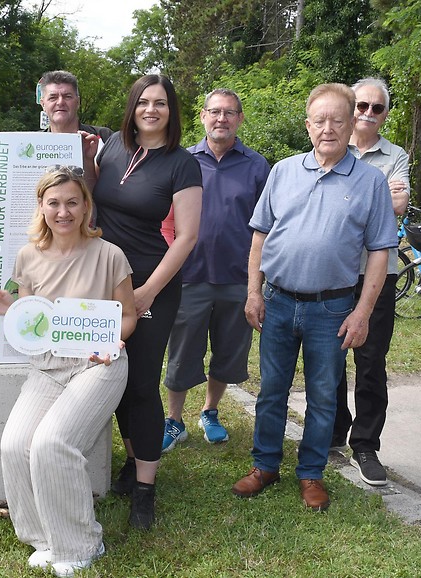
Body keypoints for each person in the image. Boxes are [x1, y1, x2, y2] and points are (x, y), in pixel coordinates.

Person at [232, 83, 398, 512]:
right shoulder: (283, 171)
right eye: (320, 120)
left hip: (333, 308)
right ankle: (265, 465)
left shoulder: (371, 182)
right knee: (272, 390)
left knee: (323, 394)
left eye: (338, 120)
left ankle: (310, 475)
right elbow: (259, 237)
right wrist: (254, 292)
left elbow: (381, 252)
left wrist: (362, 312)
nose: (328, 128)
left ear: (352, 124)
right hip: (278, 300)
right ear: (308, 125)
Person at [0, 167, 136, 577]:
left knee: (52, 443)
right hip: (48, 368)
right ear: (41, 206)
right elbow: (34, 321)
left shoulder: (110, 255)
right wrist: (6, 308)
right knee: (15, 445)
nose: (63, 211)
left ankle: (83, 543)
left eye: (72, 202)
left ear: (86, 206)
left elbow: (129, 318)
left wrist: (110, 341)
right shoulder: (28, 256)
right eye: (54, 202)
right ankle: (45, 537)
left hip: (98, 366)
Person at [92, 74, 203, 529]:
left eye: (160, 103)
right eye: (143, 102)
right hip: (104, 280)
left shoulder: (182, 164)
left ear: (171, 110)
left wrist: (146, 292)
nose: (151, 110)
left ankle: (145, 490)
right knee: (113, 375)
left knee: (140, 383)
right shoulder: (111, 147)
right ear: (132, 106)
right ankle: (132, 458)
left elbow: (188, 237)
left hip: (150, 282)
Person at [160, 88, 270, 452]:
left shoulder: (258, 166)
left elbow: (268, 225)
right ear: (203, 116)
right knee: (181, 353)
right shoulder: (182, 161)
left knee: (229, 351)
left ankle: (210, 410)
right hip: (188, 276)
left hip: (238, 277)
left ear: (239, 119)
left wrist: (259, 280)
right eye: (215, 112)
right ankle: (174, 421)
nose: (221, 118)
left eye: (229, 112)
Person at [332, 78, 410, 486]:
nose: (367, 113)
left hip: (379, 273)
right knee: (330, 356)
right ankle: (333, 429)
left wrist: (351, 199)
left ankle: (365, 443)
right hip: (336, 270)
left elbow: (399, 206)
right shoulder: (333, 145)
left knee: (370, 360)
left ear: (384, 114)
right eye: (361, 105)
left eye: (376, 108)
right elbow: (384, 201)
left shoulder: (395, 154)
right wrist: (378, 194)